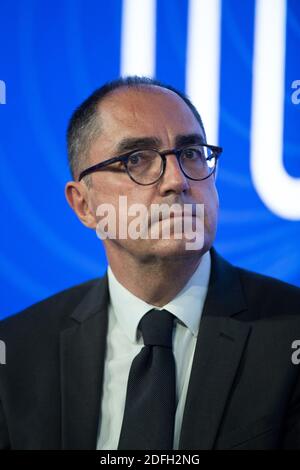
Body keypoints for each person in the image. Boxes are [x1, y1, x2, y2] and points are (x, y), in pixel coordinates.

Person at [0, 76, 300, 450]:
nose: (177, 180)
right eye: (137, 159)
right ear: (84, 205)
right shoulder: (15, 352)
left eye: (190, 153)